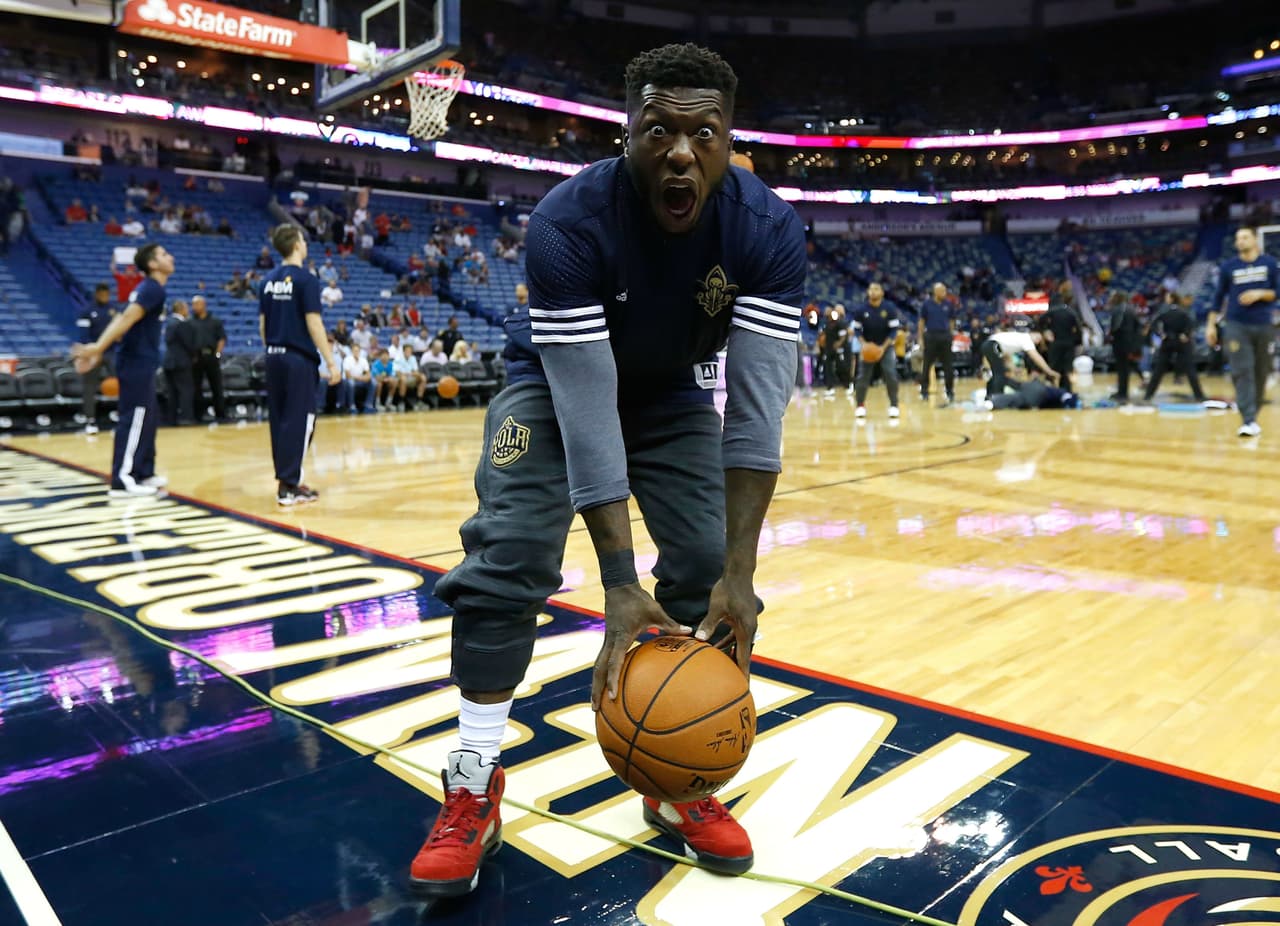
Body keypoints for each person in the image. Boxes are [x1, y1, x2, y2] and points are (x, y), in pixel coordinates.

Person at [408, 43, 804, 898]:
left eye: (704, 134)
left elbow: (756, 414)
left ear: (730, 142)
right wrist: (618, 583)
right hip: (551, 389)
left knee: (707, 561)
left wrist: (741, 574)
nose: (680, 152)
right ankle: (473, 779)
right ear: (626, 134)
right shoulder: (568, 222)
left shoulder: (768, 229)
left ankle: (678, 776)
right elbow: (587, 409)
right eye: (658, 129)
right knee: (510, 551)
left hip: (668, 394)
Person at [73, 243, 175, 498]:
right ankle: (122, 479)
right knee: (135, 417)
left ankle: (143, 472)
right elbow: (126, 318)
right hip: (135, 362)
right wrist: (98, 348)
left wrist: (99, 348)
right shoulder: (151, 288)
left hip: (143, 362)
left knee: (148, 418)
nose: (170, 257)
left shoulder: (151, 289)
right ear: (152, 264)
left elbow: (123, 319)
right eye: (164, 254)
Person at [258, 224, 341, 506]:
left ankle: (287, 480)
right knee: (301, 421)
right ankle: (289, 486)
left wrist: (273, 349)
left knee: (280, 421)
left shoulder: (266, 281)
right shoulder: (306, 280)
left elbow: (263, 325)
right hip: (297, 359)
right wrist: (331, 362)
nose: (306, 244)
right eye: (303, 240)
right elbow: (314, 322)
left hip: (273, 356)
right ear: (296, 244)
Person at [1207, 226, 1279, 438]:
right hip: (1236, 325)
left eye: (1245, 237)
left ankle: (1252, 416)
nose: (1240, 241)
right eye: (1238, 238)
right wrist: (1211, 325)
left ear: (1255, 240)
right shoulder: (1229, 266)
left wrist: (1260, 293)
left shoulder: (1269, 263)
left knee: (1261, 372)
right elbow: (1217, 297)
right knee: (1242, 370)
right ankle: (1247, 419)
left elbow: (1278, 291)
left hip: (1264, 325)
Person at [1143, 293, 1206, 404]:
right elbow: (1192, 324)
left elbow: (1153, 324)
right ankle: (1199, 396)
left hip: (1167, 341)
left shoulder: (1164, 311)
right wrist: (1185, 334)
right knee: (1190, 369)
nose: (1166, 298)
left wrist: (1161, 334)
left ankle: (1148, 396)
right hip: (1182, 342)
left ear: (1171, 299)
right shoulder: (1185, 311)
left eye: (1167, 297)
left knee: (1159, 370)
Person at [850, 282, 900, 418]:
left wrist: (882, 348)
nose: (873, 291)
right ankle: (860, 406)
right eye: (871, 289)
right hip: (868, 347)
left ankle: (894, 405)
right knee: (862, 377)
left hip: (886, 347)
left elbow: (893, 331)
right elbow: (857, 330)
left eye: (876, 289)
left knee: (890, 374)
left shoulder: (889, 308)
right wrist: (864, 344)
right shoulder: (861, 310)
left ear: (882, 292)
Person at [76, 283, 116, 433]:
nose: (105, 297)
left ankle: (121, 416)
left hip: (111, 352)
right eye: (103, 294)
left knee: (122, 383)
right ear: (97, 294)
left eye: (107, 294)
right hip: (92, 353)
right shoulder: (86, 311)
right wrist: (91, 352)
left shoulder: (113, 310)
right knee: (89, 387)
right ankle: (90, 421)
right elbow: (83, 335)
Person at [981, 325, 1059, 398]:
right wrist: (1049, 371)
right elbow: (1037, 358)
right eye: (1037, 338)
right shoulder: (1026, 339)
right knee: (999, 374)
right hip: (992, 345)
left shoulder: (1018, 339)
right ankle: (997, 398)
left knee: (998, 373)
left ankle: (990, 396)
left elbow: (1006, 358)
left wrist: (1014, 369)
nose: (1037, 341)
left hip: (989, 345)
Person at [189, 295, 227, 422]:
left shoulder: (215, 321)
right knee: (196, 387)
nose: (194, 307)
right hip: (196, 357)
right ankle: (198, 416)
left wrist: (217, 354)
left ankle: (220, 415)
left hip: (211, 356)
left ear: (204, 304)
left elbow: (221, 338)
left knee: (216, 386)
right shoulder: (190, 322)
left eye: (197, 304)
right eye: (193, 304)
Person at [918, 282, 955, 405]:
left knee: (948, 366)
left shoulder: (948, 304)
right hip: (931, 336)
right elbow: (921, 322)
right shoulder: (926, 304)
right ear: (935, 292)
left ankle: (950, 391)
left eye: (945, 290)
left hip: (945, 336)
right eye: (942, 291)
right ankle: (924, 391)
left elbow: (952, 320)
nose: (945, 293)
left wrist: (950, 334)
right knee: (927, 365)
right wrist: (920, 339)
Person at [162, 298, 197, 425]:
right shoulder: (182, 324)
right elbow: (188, 344)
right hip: (181, 362)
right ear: (181, 309)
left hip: (168, 362)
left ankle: (171, 419)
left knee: (172, 392)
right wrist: (194, 355)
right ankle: (186, 418)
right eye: (186, 308)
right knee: (186, 390)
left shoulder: (169, 322)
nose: (188, 310)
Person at [1041, 289, 1081, 393]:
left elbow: (1040, 321)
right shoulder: (1071, 312)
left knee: (1054, 367)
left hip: (1055, 344)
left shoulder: (1051, 311)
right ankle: (1067, 392)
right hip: (1069, 344)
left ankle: (1051, 391)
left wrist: (1045, 331)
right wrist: (1078, 342)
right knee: (1067, 369)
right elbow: (1078, 329)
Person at [1108, 296, 1143, 403]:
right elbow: (1138, 326)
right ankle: (1122, 392)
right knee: (1125, 369)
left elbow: (1115, 327)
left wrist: (1111, 335)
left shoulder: (1119, 309)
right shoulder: (1131, 309)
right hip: (1130, 343)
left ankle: (1122, 394)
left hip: (1122, 343)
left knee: (1122, 370)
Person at [820, 304, 849, 396]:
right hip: (828, 349)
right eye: (825, 311)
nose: (826, 312)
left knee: (841, 367)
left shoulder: (839, 323)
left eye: (828, 310)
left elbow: (843, 336)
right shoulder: (826, 324)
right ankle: (830, 388)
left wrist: (839, 343)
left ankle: (848, 385)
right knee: (828, 368)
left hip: (838, 349)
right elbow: (823, 336)